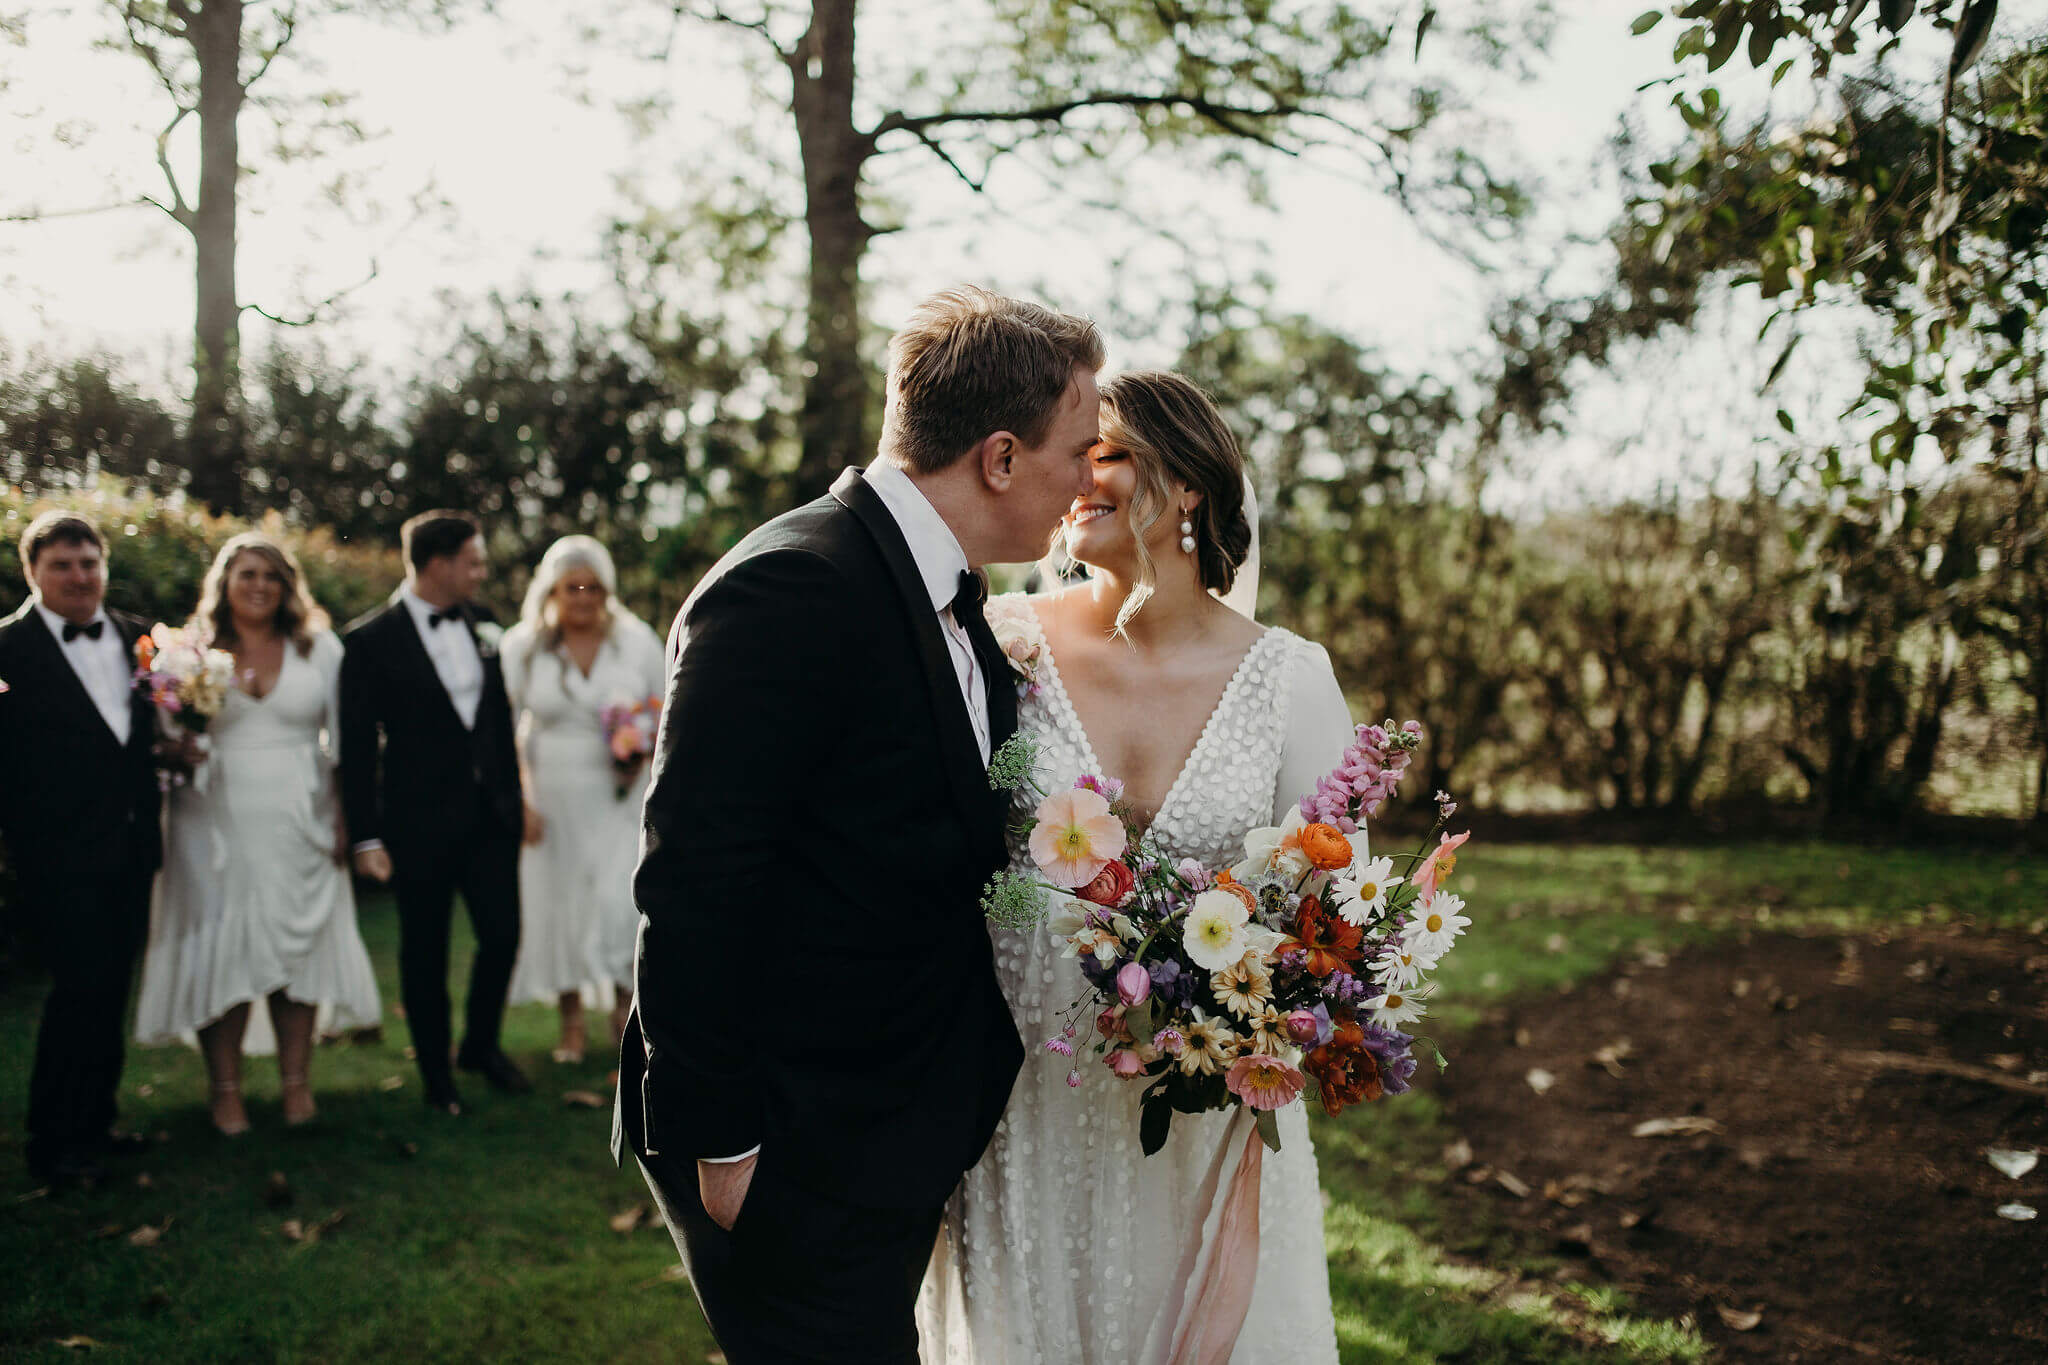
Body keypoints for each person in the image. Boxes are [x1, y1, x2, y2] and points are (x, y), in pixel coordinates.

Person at [616, 285, 1104, 1364]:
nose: (1087, 482)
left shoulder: (958, 608)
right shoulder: (790, 589)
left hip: (881, 1131)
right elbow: (695, 883)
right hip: (786, 1145)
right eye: (1077, 450)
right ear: (1000, 458)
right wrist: (724, 1146)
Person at [918, 372, 1348, 1363]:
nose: (1074, 478)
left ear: (1186, 484)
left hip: (1202, 1121)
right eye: (1071, 455)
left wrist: (1256, 1006)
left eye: (1101, 453)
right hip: (1019, 1109)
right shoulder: (1002, 647)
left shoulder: (1290, 681)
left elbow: (1334, 926)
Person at [131, 533, 381, 1134]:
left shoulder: (320, 649)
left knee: (297, 950)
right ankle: (226, 1091)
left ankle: (297, 1085)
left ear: (288, 585)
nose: (260, 586)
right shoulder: (186, 652)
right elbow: (157, 738)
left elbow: (347, 743)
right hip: (211, 820)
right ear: (224, 582)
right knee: (225, 949)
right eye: (247, 574)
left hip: (302, 817)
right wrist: (180, 747)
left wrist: (350, 820)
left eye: (271, 575)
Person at [339, 510, 529, 1115]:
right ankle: (437, 1077)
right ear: (439, 563)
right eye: (473, 561)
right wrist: (365, 836)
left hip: (490, 817)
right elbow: (356, 745)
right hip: (417, 824)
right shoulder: (368, 640)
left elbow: (498, 723)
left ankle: (480, 1046)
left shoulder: (485, 623)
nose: (481, 572)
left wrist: (514, 798)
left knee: (503, 936)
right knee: (424, 952)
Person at [0, 513, 164, 1188]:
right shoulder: (7, 649)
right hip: (55, 853)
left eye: (89, 562)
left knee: (110, 988)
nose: (79, 576)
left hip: (131, 844)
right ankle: (53, 1141)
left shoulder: (135, 637)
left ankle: (97, 1119)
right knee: (78, 990)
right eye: (63, 564)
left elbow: (138, 730)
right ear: (32, 570)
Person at [499, 536, 666, 1065]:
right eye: (572, 587)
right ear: (551, 590)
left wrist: (638, 749)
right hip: (550, 794)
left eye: (593, 586)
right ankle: (570, 1022)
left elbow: (662, 708)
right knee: (559, 903)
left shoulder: (635, 641)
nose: (583, 597)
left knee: (619, 902)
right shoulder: (522, 648)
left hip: (619, 796)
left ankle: (625, 1017)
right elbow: (507, 731)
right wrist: (521, 800)